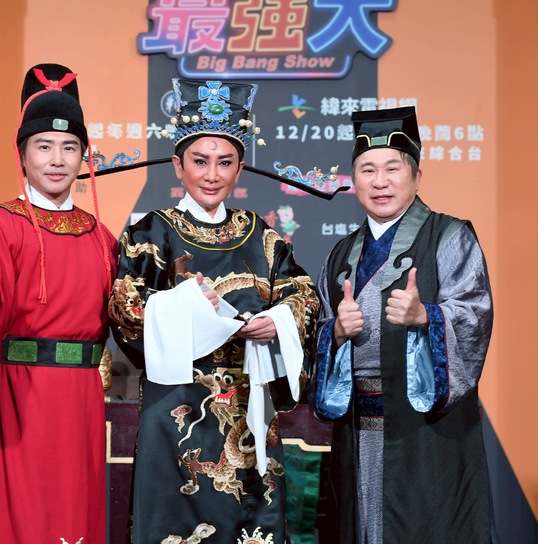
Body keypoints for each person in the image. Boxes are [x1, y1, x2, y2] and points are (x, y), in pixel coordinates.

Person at [108, 78, 320, 543]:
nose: (212, 174)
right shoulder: (152, 233)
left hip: (247, 406)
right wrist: (184, 307)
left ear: (240, 168)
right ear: (177, 164)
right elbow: (125, 306)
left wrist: (278, 320)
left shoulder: (261, 235)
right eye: (199, 161)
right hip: (175, 407)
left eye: (225, 162)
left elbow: (303, 292)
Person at [0, 63, 118, 543]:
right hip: (17, 399)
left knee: (71, 517)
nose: (57, 159)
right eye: (44, 146)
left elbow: (129, 315)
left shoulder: (102, 237)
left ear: (84, 157)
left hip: (80, 405)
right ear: (22, 154)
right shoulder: (1, 225)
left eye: (69, 147)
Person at [313, 106, 495, 543]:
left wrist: (426, 317)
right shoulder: (341, 254)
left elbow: (474, 315)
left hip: (427, 433)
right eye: (367, 170)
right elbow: (316, 327)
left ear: (416, 177)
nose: (380, 182)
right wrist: (334, 333)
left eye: (392, 169)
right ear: (353, 181)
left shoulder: (449, 236)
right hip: (357, 430)